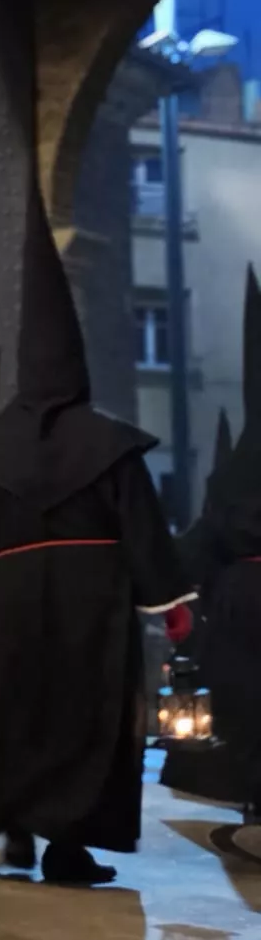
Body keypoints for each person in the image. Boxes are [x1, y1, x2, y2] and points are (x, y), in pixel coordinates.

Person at [0, 182, 193, 885]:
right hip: (90, 599)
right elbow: (139, 522)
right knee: (85, 717)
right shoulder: (107, 444)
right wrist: (167, 599)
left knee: (17, 710)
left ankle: (17, 824)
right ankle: (68, 847)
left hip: (15, 600)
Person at [170, 271, 261, 817]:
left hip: (237, 599)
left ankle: (254, 797)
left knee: (245, 704)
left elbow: (200, 544)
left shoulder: (233, 473)